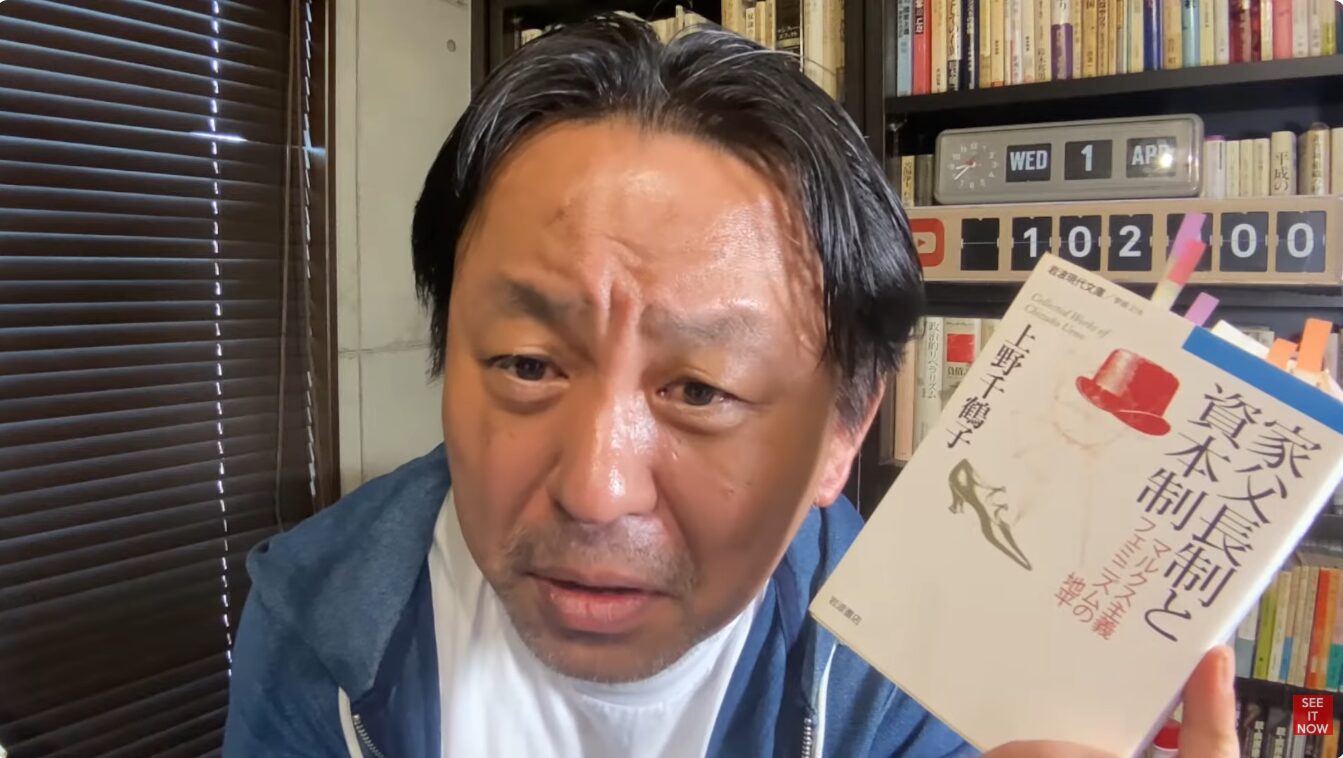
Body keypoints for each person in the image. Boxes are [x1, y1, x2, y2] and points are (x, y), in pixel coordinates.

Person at [221, 14, 1239, 758]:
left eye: (700, 390)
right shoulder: (318, 615)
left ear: (842, 432)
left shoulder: (914, 676)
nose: (596, 488)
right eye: (528, 365)